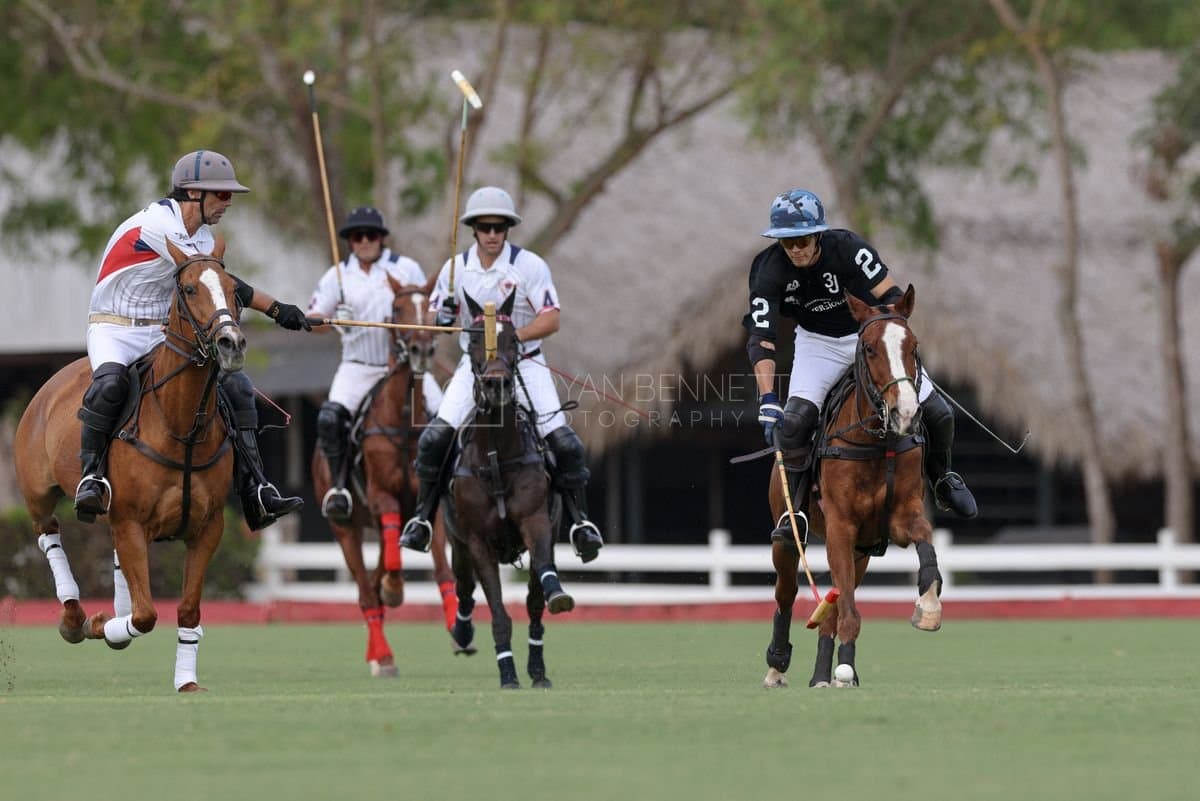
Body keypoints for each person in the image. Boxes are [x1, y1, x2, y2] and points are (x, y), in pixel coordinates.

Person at [75, 149, 308, 530]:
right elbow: (228, 284)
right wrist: (278, 309)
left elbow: (216, 285)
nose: (228, 203)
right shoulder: (157, 225)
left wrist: (283, 311)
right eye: (223, 195)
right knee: (111, 384)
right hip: (114, 327)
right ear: (193, 193)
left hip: (158, 329)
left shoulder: (201, 235)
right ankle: (92, 477)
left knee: (236, 384)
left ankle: (256, 487)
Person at [743, 188, 977, 539]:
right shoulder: (767, 270)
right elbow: (762, 339)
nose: (796, 249)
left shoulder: (850, 249)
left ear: (818, 234)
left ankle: (942, 478)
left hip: (867, 337)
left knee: (939, 413)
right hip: (816, 344)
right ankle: (794, 518)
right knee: (793, 424)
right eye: (787, 243)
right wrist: (766, 399)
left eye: (802, 239)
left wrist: (882, 339)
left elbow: (893, 298)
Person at [397, 186, 604, 563]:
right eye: (484, 227)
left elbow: (552, 318)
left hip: (524, 364)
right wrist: (442, 313)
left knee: (566, 444)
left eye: (499, 227)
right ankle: (422, 519)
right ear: (474, 229)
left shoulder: (530, 266)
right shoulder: (454, 270)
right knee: (433, 441)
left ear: (508, 229)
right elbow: (438, 323)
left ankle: (580, 523)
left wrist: (512, 338)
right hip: (473, 369)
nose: (492, 234)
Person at [308, 205, 443, 521]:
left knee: (445, 415)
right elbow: (311, 319)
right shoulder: (337, 276)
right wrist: (331, 319)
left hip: (405, 369)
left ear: (382, 238)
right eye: (358, 236)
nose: (365, 241)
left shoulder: (406, 268)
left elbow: (429, 308)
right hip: (358, 367)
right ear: (350, 241)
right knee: (330, 419)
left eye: (372, 235)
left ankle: (448, 484)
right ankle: (340, 488)